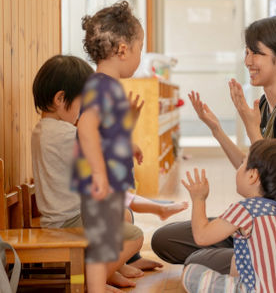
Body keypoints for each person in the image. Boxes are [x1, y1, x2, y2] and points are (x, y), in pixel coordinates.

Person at [152, 16, 276, 284]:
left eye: (256, 53)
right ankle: (240, 254)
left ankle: (247, 260)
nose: (248, 61)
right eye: (246, 52)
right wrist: (217, 130)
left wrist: (251, 129)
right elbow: (252, 169)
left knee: (195, 259)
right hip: (262, 228)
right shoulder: (264, 108)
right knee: (164, 240)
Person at [31, 54, 188, 292]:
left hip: (66, 215)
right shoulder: (61, 134)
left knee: (123, 215)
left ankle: (115, 267)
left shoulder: (46, 130)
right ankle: (93, 279)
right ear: (61, 99)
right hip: (69, 220)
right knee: (133, 236)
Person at [181, 139, 276, 293]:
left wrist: (198, 199)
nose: (239, 167)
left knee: (191, 273)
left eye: (243, 163)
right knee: (237, 258)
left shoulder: (246, 210)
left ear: (252, 176)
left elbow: (202, 236)